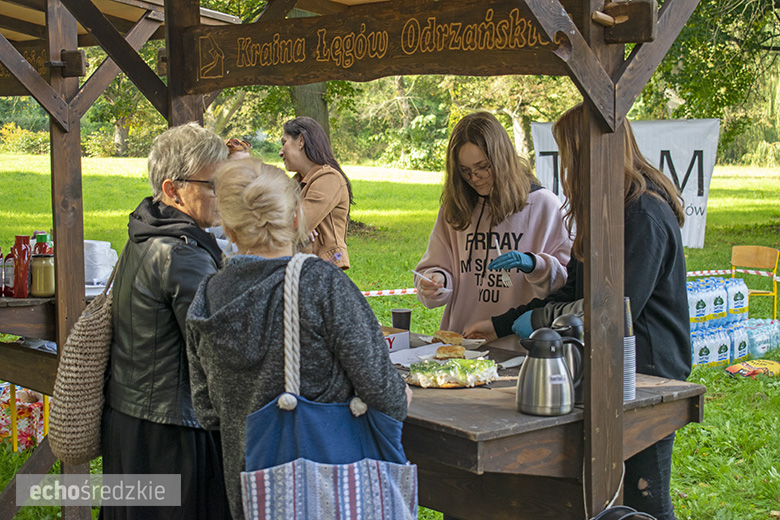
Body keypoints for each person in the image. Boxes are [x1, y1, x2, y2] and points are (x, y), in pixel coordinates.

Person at [474, 103, 691, 520]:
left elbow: (614, 308)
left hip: (647, 372)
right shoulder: (602, 206)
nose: (565, 167)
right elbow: (572, 290)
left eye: (567, 154)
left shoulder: (643, 213)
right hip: (601, 368)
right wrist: (502, 323)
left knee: (643, 495)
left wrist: (537, 322)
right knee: (594, 492)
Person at [185, 159, 411, 520]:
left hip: (252, 492)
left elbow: (207, 411)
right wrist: (401, 394)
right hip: (332, 488)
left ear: (228, 226)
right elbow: (385, 395)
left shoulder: (207, 295)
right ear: (294, 219)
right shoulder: (321, 284)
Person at [100, 123, 231, 520]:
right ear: (173, 189)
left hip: (130, 421)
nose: (223, 194)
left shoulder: (144, 232)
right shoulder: (182, 253)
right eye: (213, 184)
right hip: (173, 431)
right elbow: (217, 349)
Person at [415, 111, 572, 334]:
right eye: (465, 171)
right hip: (464, 343)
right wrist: (435, 282)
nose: (475, 178)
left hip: (518, 347)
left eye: (483, 166)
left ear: (502, 159)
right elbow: (435, 268)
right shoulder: (456, 208)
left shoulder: (543, 205)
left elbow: (567, 286)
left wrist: (535, 265)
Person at [279, 116, 352, 269]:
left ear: (300, 141)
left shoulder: (328, 178)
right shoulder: (296, 182)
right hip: (300, 266)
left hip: (323, 269)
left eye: (284, 143)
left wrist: (298, 226)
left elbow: (297, 225)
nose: (280, 152)